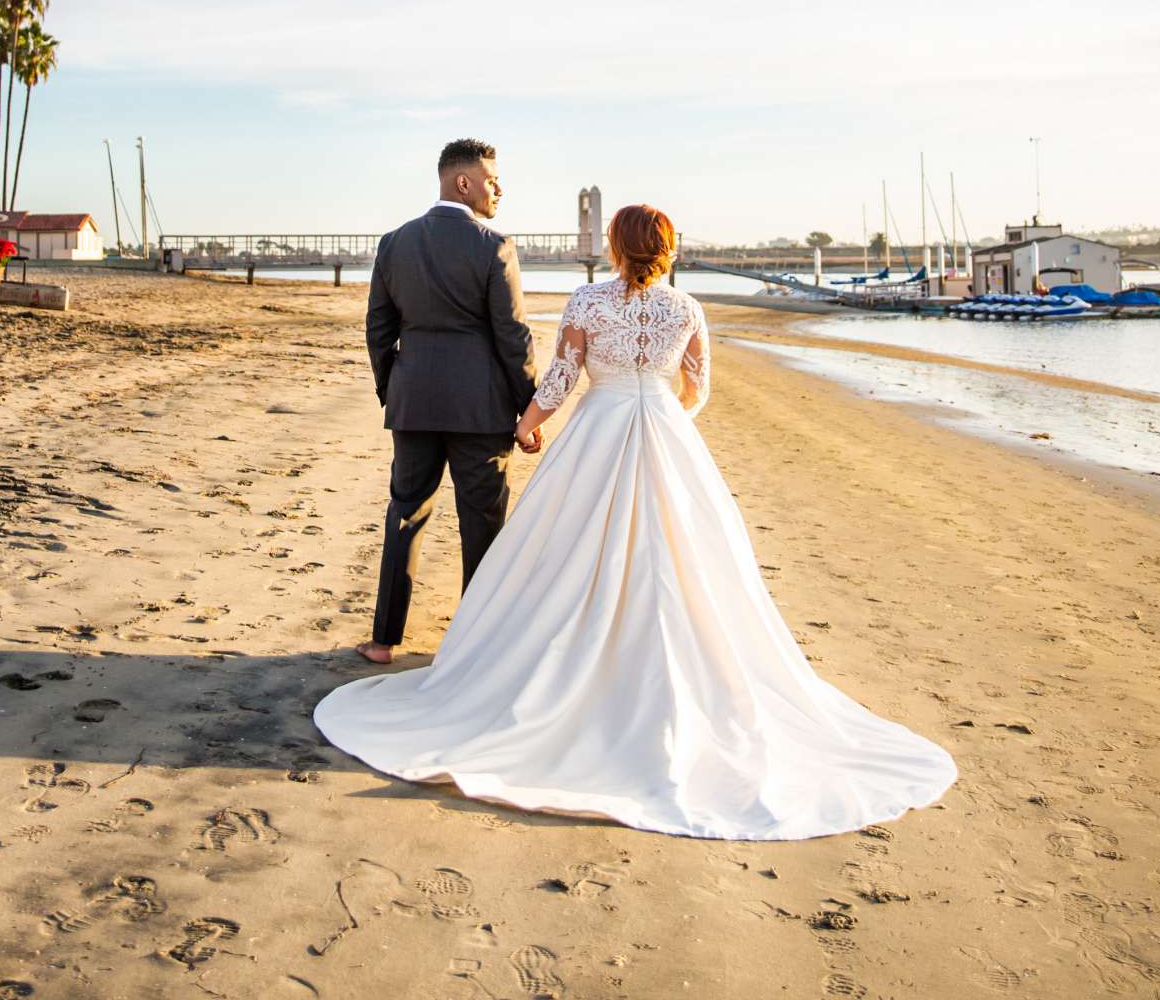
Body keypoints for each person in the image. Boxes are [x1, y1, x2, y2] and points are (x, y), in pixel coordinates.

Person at [315, 203, 958, 841]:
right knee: (683, 558)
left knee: (568, 551)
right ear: (669, 248)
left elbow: (563, 378)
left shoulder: (589, 301)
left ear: (616, 247)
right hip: (666, 433)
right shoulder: (687, 309)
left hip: (599, 428)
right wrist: (666, 421)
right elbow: (697, 388)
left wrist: (525, 427)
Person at [354, 137, 540, 666]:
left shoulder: (394, 243)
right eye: (492, 179)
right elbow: (512, 335)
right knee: (481, 520)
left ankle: (384, 640)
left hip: (413, 402)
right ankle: (476, 644)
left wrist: (394, 388)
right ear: (464, 182)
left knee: (405, 514)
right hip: (480, 408)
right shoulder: (494, 245)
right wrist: (529, 406)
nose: (499, 189)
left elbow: (378, 328)